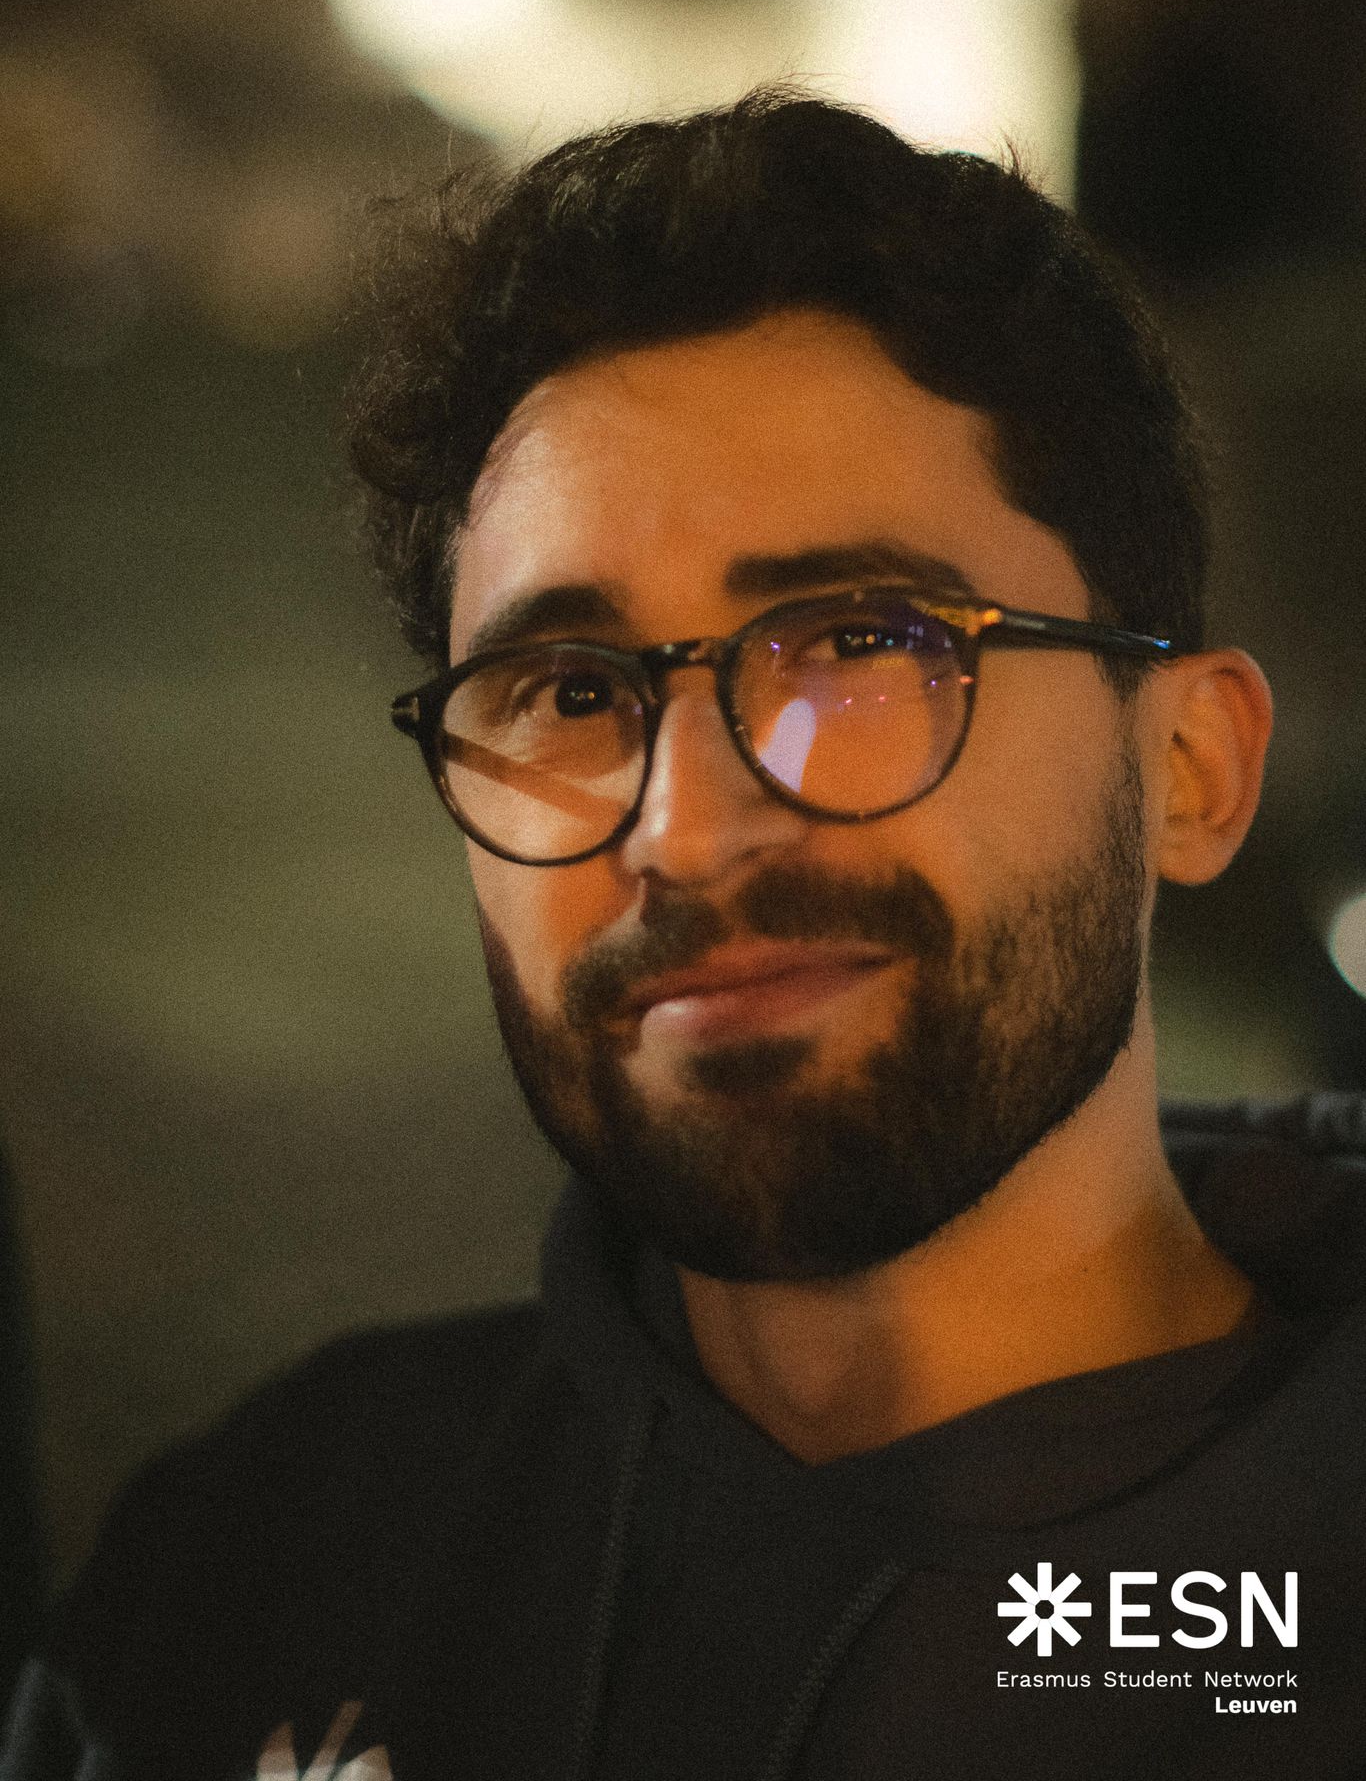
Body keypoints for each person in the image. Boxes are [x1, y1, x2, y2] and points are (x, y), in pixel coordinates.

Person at [4, 91, 1364, 1781]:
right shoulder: (248, 1565)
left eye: (855, 644)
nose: (685, 830)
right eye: (569, 692)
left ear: (1188, 770)